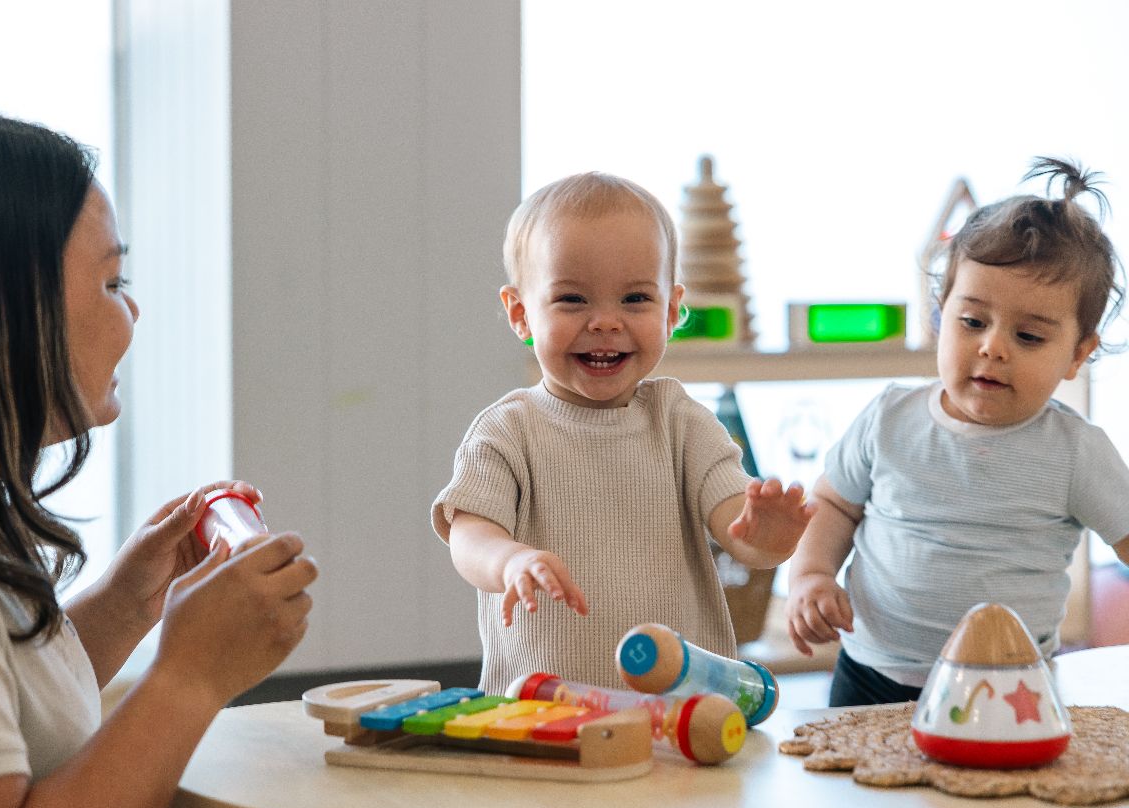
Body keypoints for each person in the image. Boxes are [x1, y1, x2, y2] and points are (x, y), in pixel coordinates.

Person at [0, 109, 317, 808]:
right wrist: (188, 674)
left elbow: (11, 723)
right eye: (110, 281)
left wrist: (126, 606)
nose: (131, 312)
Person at [432, 172, 814, 693]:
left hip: (683, 703)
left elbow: (735, 524)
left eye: (635, 299)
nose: (606, 322)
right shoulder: (507, 431)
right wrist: (509, 560)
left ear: (674, 310)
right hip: (544, 706)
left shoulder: (681, 421)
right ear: (521, 314)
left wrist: (765, 539)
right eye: (572, 300)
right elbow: (468, 536)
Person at [786, 157, 1129, 707]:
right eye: (972, 322)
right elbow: (832, 504)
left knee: (1000, 792)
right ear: (939, 317)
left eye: (1029, 336)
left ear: (1077, 356)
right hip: (873, 674)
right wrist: (811, 575)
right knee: (853, 790)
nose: (993, 347)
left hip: (1010, 688)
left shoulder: (1076, 452)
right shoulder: (890, 417)